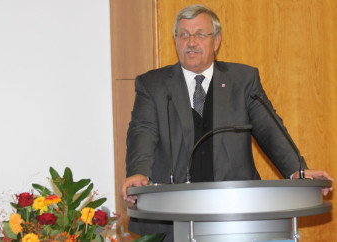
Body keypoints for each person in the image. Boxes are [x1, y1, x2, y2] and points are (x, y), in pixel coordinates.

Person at [120, 4, 333, 241]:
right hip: (170, 216)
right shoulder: (153, 84)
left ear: (216, 41)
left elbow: (269, 129)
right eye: (184, 34)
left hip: (236, 214)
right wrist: (138, 173)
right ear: (176, 40)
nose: (191, 42)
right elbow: (143, 131)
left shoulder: (242, 81)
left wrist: (298, 170)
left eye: (200, 34)